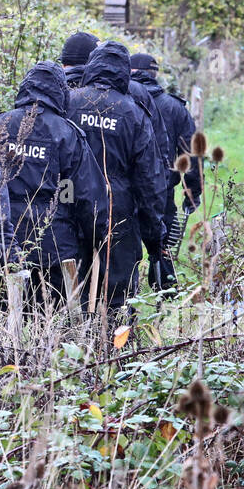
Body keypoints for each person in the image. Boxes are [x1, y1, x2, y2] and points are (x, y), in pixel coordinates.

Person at [0, 61, 107, 305]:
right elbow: (89, 198)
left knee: (0, 315)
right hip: (56, 246)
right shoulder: (68, 134)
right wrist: (97, 240)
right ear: (60, 92)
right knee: (54, 317)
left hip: (1, 245)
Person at [68, 42, 165, 308]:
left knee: (70, 289)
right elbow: (150, 180)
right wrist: (154, 235)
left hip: (70, 208)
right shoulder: (134, 113)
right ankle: (111, 346)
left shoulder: (69, 102)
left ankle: (69, 342)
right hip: (117, 212)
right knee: (117, 297)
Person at [130, 53, 202, 290]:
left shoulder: (122, 100)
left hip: (124, 188)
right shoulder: (173, 106)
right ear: (155, 75)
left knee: (123, 243)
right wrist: (193, 190)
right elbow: (190, 151)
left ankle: (127, 291)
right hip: (161, 190)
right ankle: (165, 291)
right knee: (161, 244)